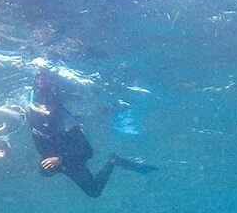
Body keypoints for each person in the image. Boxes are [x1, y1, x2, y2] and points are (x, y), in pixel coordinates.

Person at [26, 70, 157, 198]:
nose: (45, 110)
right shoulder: (44, 116)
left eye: (49, 104)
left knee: (93, 191)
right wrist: (57, 161)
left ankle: (114, 160)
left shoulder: (63, 123)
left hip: (69, 158)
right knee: (92, 190)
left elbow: (87, 151)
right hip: (66, 159)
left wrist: (60, 159)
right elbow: (86, 152)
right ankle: (114, 160)